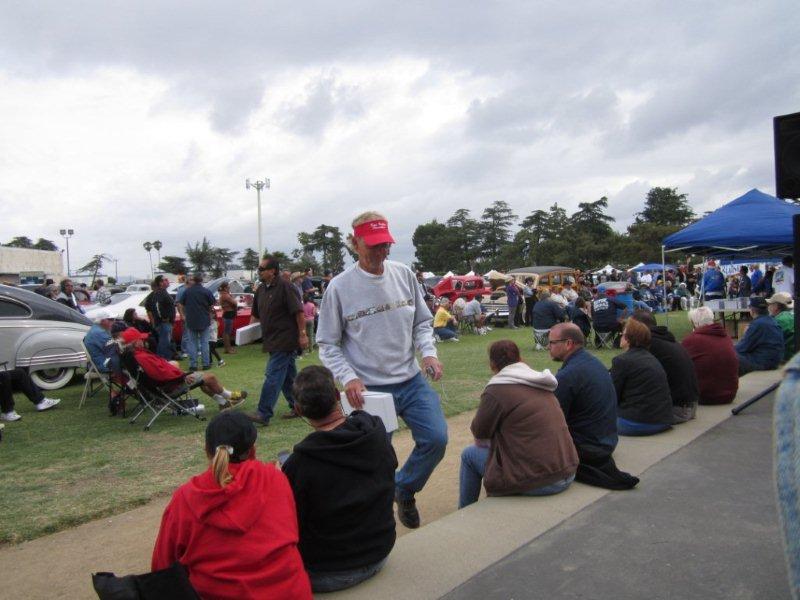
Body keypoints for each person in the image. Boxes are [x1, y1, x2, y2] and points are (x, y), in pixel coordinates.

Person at [317, 211, 446, 529]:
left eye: (385, 244)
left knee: (437, 438)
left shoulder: (403, 274)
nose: (382, 252)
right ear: (355, 244)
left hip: (411, 379)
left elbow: (422, 322)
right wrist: (348, 376)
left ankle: (403, 488)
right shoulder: (339, 288)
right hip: (369, 390)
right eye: (374, 245)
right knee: (375, 458)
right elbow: (327, 344)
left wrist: (428, 354)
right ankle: (373, 526)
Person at [151, 411, 312, 599]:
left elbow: (162, 567)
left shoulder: (186, 497)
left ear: (207, 450)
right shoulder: (275, 478)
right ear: (252, 450)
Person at [282, 366, 397, 593]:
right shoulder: (375, 433)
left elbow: (289, 524)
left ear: (298, 409)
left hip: (328, 572)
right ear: (336, 395)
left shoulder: (300, 464)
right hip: (380, 551)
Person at [459, 340, 577, 508]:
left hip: (542, 481)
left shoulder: (497, 389)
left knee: (469, 455)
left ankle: (464, 512)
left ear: (492, 364)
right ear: (520, 358)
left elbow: (479, 434)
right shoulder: (540, 381)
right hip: (567, 470)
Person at [549, 323, 639, 490]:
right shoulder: (592, 362)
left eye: (552, 343)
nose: (549, 347)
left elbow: (555, 421)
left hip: (589, 448)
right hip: (607, 440)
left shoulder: (569, 375)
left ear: (568, 344)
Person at [122, 328, 247, 411]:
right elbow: (161, 374)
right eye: (141, 339)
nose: (144, 341)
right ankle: (230, 396)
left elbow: (161, 371)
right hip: (170, 385)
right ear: (136, 342)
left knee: (204, 380)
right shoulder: (142, 357)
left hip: (167, 384)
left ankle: (223, 403)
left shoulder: (137, 356)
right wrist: (182, 376)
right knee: (210, 377)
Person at [249, 256, 308, 426]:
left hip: (285, 339)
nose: (259, 272)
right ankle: (299, 406)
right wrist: (247, 333)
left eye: (262, 269)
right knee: (289, 378)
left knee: (273, 375)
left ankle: (263, 412)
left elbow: (299, 312)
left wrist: (302, 334)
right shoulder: (261, 290)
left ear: (272, 271)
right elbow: (255, 315)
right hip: (271, 340)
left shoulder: (286, 287)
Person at [630, 311, 700, 423]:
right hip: (690, 405)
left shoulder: (650, 344)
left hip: (676, 408)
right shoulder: (667, 340)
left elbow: (632, 377)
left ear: (637, 327)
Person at [610, 319, 673, 436]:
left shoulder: (622, 361)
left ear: (629, 339)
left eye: (622, 334)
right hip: (663, 419)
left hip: (639, 422)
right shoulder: (651, 358)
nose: (620, 336)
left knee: (591, 420)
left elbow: (612, 395)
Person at [681, 306, 739, 405]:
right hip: (729, 394)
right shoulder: (726, 337)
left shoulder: (691, 340)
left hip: (706, 396)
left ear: (695, 323)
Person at [177, 273, 217, 371]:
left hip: (190, 320)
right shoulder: (206, 291)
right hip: (204, 320)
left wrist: (183, 315)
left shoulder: (187, 292)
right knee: (204, 343)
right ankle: (206, 363)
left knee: (192, 343)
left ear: (194, 281)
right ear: (201, 281)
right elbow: (212, 305)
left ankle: (193, 365)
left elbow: (180, 304)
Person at [736, 296, 785, 374]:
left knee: (727, 355)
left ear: (752, 310)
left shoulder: (757, 324)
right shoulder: (771, 321)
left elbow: (742, 348)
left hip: (763, 363)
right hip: (774, 360)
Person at [145, 275, 176, 360]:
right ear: (160, 283)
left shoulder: (163, 292)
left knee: (167, 343)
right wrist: (164, 317)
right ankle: (161, 360)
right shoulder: (160, 293)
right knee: (164, 343)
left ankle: (167, 360)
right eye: (165, 280)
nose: (167, 281)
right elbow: (157, 306)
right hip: (163, 323)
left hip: (167, 322)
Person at [767, 292, 795, 361]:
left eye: (770, 304)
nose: (768, 307)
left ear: (776, 306)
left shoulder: (780, 320)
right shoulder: (793, 315)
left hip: (785, 359)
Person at [218, 281, 238, 355]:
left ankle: (227, 348)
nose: (229, 288)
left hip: (228, 314)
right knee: (227, 333)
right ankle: (228, 349)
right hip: (228, 314)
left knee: (226, 332)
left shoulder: (224, 295)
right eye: (228, 287)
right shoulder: (225, 295)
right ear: (225, 288)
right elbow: (235, 303)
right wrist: (234, 301)